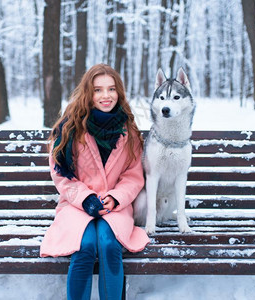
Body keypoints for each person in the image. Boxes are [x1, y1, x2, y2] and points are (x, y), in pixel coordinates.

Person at [40, 63, 150, 299]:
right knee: (85, 247)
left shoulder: (128, 131)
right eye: (98, 90)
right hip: (77, 205)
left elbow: (133, 176)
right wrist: (86, 198)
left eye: (111, 89)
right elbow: (61, 174)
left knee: (110, 246)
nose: (105, 96)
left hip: (114, 205)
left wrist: (115, 197)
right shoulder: (69, 128)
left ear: (119, 92)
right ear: (88, 93)